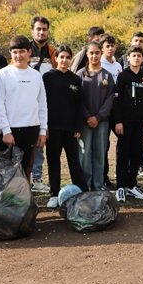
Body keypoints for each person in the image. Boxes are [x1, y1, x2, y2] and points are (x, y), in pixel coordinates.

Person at [0, 35, 48, 181]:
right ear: (10, 53)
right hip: (10, 130)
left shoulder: (36, 75)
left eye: (22, 51)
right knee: (6, 170)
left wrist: (43, 130)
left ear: (29, 52)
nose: (19, 56)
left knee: (25, 169)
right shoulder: (3, 74)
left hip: (31, 129)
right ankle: (5, 202)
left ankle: (22, 201)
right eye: (15, 52)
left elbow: (42, 104)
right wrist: (5, 130)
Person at [42, 45, 88, 208]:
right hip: (52, 128)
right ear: (55, 58)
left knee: (74, 161)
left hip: (70, 129)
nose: (64, 60)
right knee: (53, 161)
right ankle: (54, 193)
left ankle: (82, 190)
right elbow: (42, 103)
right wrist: (44, 127)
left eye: (68, 57)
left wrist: (78, 128)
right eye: (61, 57)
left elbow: (78, 105)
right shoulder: (47, 77)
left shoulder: (75, 80)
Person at [113, 46, 143, 202]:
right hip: (125, 122)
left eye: (139, 56)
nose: (136, 58)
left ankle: (132, 185)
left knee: (136, 153)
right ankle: (120, 187)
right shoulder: (122, 76)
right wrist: (118, 121)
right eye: (133, 55)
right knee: (123, 153)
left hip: (140, 123)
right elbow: (117, 101)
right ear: (127, 58)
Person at [76, 41, 115, 191]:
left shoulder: (107, 75)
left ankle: (98, 185)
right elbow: (77, 100)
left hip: (102, 122)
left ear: (101, 53)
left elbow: (110, 98)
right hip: (85, 121)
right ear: (87, 54)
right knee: (84, 154)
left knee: (100, 153)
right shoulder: (80, 75)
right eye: (91, 53)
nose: (94, 56)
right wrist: (87, 116)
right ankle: (85, 186)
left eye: (97, 53)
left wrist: (98, 117)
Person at [28, 15, 57, 194]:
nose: (41, 32)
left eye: (44, 29)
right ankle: (23, 179)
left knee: (41, 142)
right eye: (38, 29)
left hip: (47, 103)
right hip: (26, 103)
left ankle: (38, 179)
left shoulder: (52, 52)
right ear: (32, 31)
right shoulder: (25, 49)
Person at [99, 33, 123, 189]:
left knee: (122, 140)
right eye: (107, 46)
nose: (110, 49)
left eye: (112, 46)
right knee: (104, 144)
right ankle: (103, 177)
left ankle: (121, 176)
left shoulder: (118, 65)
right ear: (102, 48)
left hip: (117, 106)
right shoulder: (99, 64)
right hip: (103, 106)